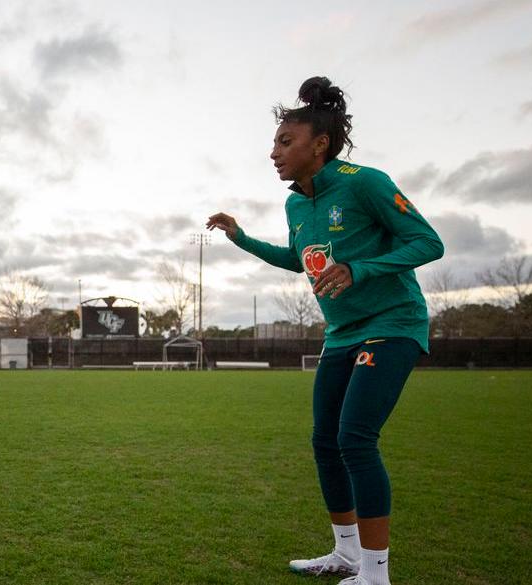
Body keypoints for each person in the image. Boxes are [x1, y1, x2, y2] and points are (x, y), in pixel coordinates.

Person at [206, 77, 443, 585]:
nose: (273, 153)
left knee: (355, 438)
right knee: (324, 442)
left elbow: (428, 242)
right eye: (273, 142)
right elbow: (300, 261)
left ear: (320, 144)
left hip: (392, 323)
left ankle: (376, 575)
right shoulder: (296, 204)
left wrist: (361, 269)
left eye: (284, 142)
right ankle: (346, 554)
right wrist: (241, 238)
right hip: (341, 333)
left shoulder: (365, 182)